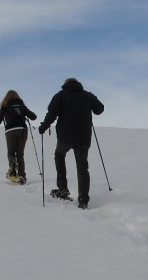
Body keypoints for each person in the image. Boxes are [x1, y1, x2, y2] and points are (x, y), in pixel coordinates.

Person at [38, 78, 104, 209]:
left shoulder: (60, 95)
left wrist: (43, 127)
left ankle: (62, 188)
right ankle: (83, 200)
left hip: (65, 137)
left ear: (66, 84)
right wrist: (90, 101)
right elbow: (99, 109)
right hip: (83, 137)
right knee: (82, 167)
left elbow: (52, 114)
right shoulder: (87, 95)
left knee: (59, 155)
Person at [0, 90, 37, 184]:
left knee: (11, 153)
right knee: (20, 154)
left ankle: (13, 171)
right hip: (23, 130)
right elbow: (33, 117)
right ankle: (22, 176)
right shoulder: (21, 105)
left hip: (11, 131)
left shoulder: (4, 106)